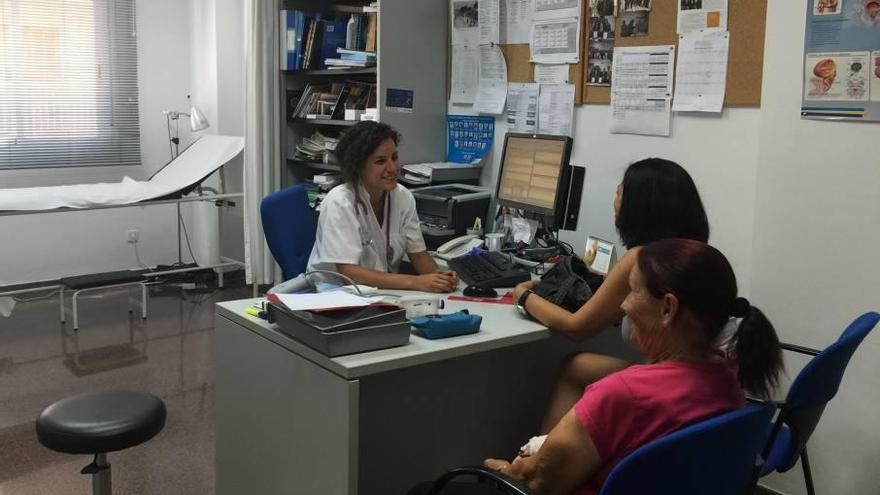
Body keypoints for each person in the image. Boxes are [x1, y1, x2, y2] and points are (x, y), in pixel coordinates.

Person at [481, 239, 783, 494]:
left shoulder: (620, 395)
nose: (623, 305)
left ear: (668, 308)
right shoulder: (729, 378)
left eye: (633, 291)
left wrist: (501, 468)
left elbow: (533, 482)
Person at [511, 158, 710, 431]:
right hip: (698, 382)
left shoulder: (642, 258)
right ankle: (543, 452)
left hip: (667, 383)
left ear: (640, 207)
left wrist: (523, 297)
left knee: (576, 363)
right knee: (577, 366)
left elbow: (576, 328)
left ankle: (539, 461)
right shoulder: (695, 253)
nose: (615, 198)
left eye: (619, 191)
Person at [307, 121, 458, 292]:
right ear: (359, 166)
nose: (392, 168)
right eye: (380, 161)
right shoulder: (340, 202)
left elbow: (418, 255)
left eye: (394, 157)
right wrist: (417, 282)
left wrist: (440, 278)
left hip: (379, 291)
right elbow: (350, 274)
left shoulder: (402, 197)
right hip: (334, 292)